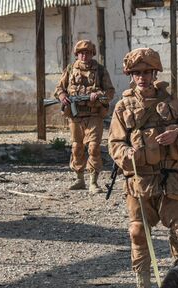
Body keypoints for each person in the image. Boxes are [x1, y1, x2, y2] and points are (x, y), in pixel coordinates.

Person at [108, 48, 178, 288]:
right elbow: (114, 143)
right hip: (140, 182)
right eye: (137, 73)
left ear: (155, 73)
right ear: (131, 76)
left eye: (147, 72)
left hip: (171, 179)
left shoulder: (174, 104)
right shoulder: (123, 106)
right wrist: (127, 153)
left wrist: (177, 136)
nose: (143, 78)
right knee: (138, 232)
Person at [54, 40, 115, 194]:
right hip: (75, 115)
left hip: (94, 115)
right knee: (76, 146)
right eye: (81, 53)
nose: (84, 55)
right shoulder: (70, 69)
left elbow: (110, 92)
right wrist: (62, 96)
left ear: (92, 54)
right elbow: (59, 88)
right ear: (77, 54)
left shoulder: (100, 70)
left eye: (87, 53)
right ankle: (79, 179)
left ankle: (93, 181)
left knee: (94, 147)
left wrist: (98, 95)